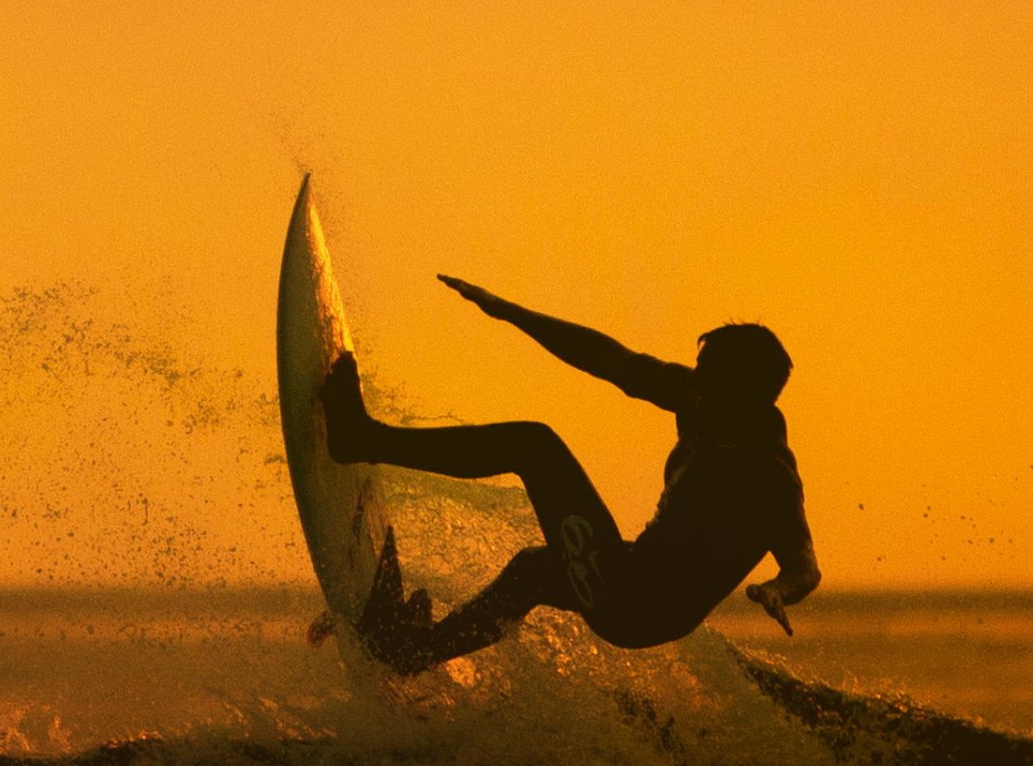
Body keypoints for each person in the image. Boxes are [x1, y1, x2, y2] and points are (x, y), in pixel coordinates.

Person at [322, 274, 820, 673]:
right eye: (699, 370)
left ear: (745, 395)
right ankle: (414, 652)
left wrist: (777, 590)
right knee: (534, 571)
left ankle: (362, 440)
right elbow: (610, 360)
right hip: (626, 573)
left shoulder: (768, 473)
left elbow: (804, 567)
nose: (695, 385)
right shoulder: (700, 400)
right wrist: (511, 313)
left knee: (534, 445)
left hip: (638, 605)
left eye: (709, 379)